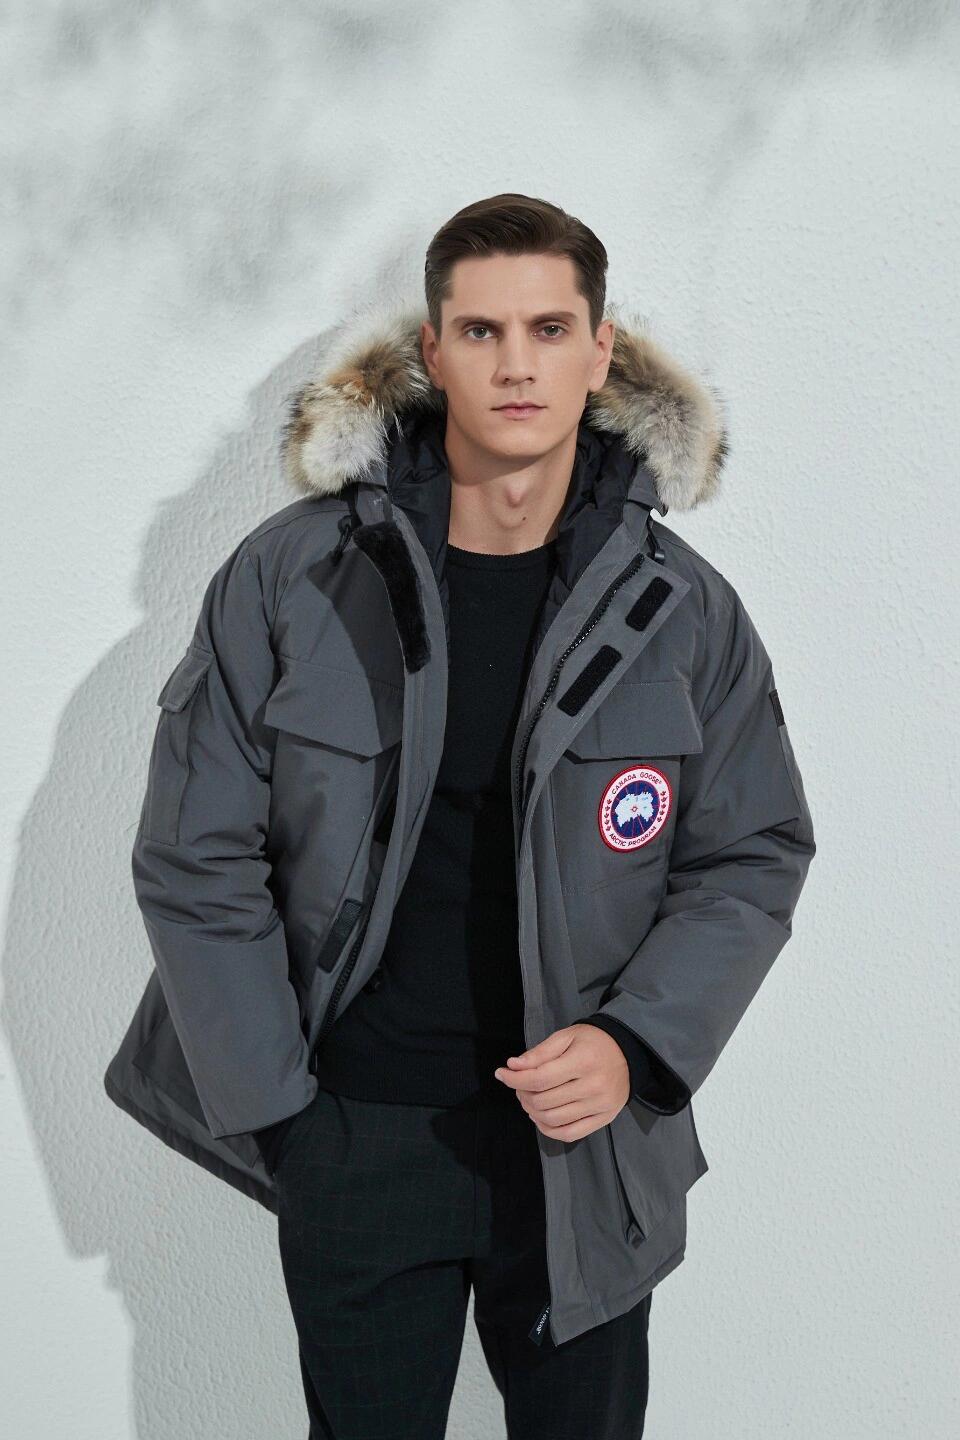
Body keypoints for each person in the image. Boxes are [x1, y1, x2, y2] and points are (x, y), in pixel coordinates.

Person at [105, 192, 816, 1438]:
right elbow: (193, 853)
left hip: (579, 1151)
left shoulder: (683, 609)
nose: (516, 365)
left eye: (550, 329)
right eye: (481, 331)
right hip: (356, 1134)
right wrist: (283, 1118)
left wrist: (635, 1047)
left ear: (601, 353)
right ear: (431, 352)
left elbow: (750, 854)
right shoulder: (296, 576)